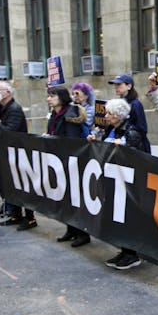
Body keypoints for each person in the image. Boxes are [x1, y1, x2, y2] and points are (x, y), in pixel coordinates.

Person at [88, 98, 146, 270]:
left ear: (119, 115)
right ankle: (124, 250)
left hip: (126, 184)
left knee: (126, 218)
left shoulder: (131, 132)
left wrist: (124, 146)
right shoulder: (111, 130)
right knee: (116, 217)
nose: (106, 116)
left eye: (110, 113)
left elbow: (136, 156)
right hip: (113, 180)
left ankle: (131, 254)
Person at [0, 81, 38, 230]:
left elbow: (9, 132)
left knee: (20, 184)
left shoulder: (14, 109)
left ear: (7, 92)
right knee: (5, 183)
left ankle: (30, 217)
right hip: (2, 152)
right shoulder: (1, 109)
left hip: (15, 153)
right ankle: (15, 213)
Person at [45, 86, 90, 247]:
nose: (49, 99)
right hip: (61, 162)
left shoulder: (70, 114)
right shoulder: (55, 114)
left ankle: (82, 233)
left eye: (52, 96)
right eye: (48, 96)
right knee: (66, 199)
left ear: (61, 97)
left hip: (72, 162)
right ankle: (71, 229)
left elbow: (71, 141)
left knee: (76, 199)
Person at [108, 73, 151, 153]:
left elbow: (141, 129)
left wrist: (125, 140)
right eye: (115, 85)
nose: (116, 87)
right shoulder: (118, 103)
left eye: (119, 84)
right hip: (119, 145)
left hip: (135, 149)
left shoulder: (135, 104)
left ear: (129, 86)